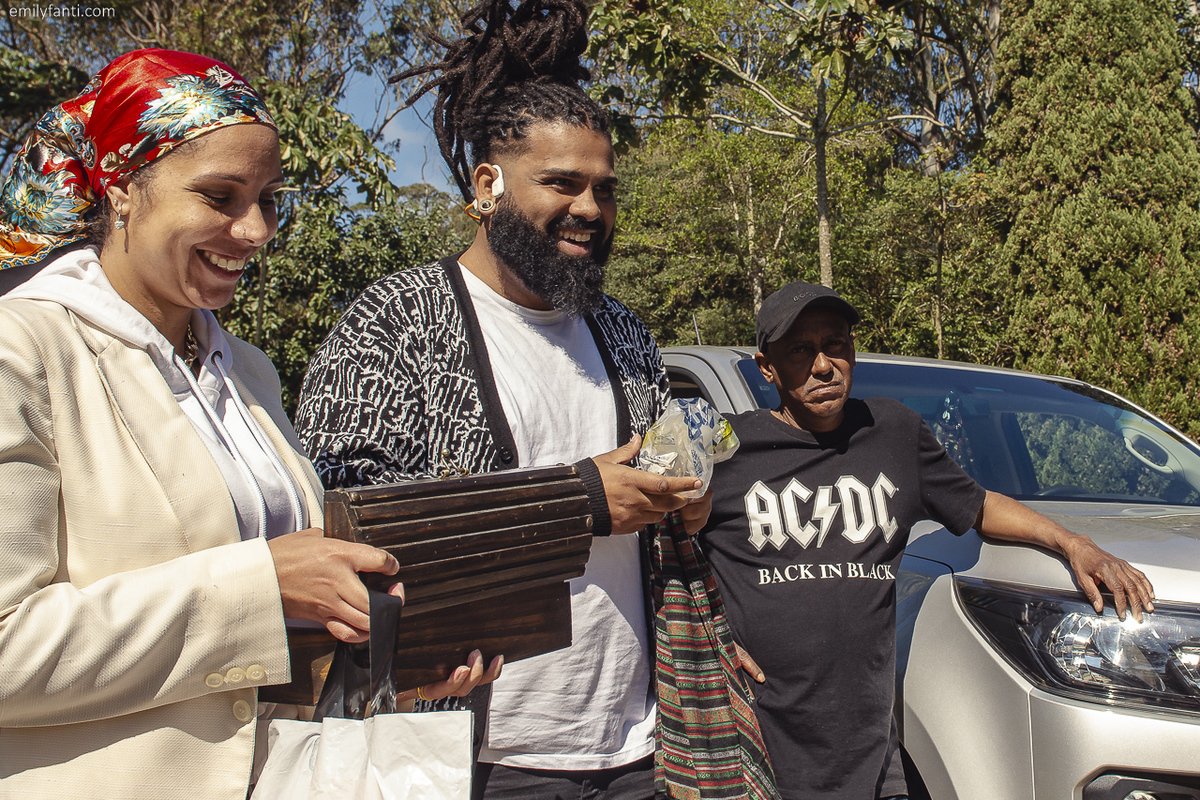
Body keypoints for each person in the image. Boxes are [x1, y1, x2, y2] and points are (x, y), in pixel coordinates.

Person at [0, 48, 498, 799]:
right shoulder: (25, 351)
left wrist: (386, 654)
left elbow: (253, 660)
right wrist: (261, 586)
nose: (257, 228)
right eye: (221, 196)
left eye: (270, 198)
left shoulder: (248, 371)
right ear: (121, 188)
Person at [293, 2, 711, 797]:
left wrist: (688, 504)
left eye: (605, 189)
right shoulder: (399, 322)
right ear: (488, 183)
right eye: (562, 183)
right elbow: (346, 524)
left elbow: (664, 482)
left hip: (636, 744)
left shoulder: (624, 332)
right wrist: (576, 500)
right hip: (472, 749)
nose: (590, 208)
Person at [696, 280, 1157, 800]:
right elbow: (660, 554)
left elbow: (978, 504)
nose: (823, 365)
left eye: (837, 344)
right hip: (755, 747)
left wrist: (1074, 544)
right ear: (768, 368)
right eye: (801, 350)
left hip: (868, 752)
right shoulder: (726, 449)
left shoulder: (892, 432)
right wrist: (704, 633)